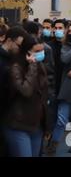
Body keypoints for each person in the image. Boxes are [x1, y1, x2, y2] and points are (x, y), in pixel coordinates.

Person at [3, 35, 48, 157]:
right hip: (19, 123)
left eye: (42, 50)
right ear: (27, 52)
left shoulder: (41, 66)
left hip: (37, 124)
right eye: (37, 51)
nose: (41, 54)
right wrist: (32, 67)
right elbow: (26, 91)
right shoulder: (16, 68)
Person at [46, 21, 71, 155]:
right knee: (61, 118)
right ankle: (53, 145)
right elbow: (64, 59)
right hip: (67, 87)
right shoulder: (66, 46)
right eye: (69, 31)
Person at [0, 26, 27, 156]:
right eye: (19, 45)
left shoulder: (14, 58)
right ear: (9, 40)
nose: (20, 49)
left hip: (10, 113)